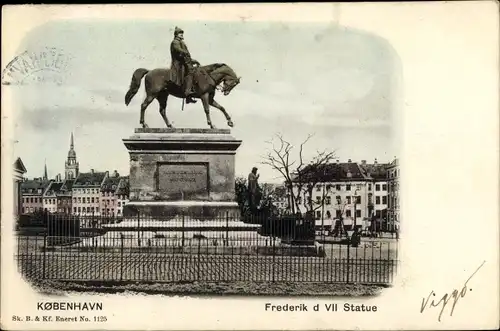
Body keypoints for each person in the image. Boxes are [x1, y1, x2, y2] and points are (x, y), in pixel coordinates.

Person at [170, 27, 200, 104]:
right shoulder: (175, 42)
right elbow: (178, 49)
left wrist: (193, 61)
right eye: (180, 33)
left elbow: (185, 56)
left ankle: (190, 94)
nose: (182, 35)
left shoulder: (182, 43)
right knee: (191, 72)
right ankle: (188, 92)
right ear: (176, 35)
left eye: (182, 33)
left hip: (183, 62)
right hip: (178, 64)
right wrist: (185, 52)